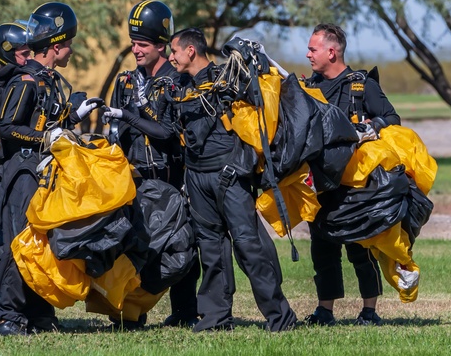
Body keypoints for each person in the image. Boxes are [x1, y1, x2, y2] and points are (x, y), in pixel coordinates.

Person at [0, 5, 103, 337]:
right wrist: (46, 137)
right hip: (19, 171)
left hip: (38, 169)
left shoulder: (45, 81)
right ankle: (6, 316)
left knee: (39, 241)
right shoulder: (25, 81)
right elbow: (8, 128)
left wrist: (73, 117)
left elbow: (45, 123)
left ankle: (37, 312)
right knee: (18, 241)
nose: (72, 49)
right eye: (69, 42)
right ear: (55, 45)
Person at [168, 28, 297, 333]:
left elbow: (264, 95)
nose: (170, 57)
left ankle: (280, 316)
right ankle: (215, 316)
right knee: (210, 248)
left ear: (190, 51)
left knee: (248, 246)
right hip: (197, 176)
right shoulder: (178, 86)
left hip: (229, 174)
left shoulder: (228, 76)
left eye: (173, 51)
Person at [101, 0, 199, 329]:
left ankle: (185, 311)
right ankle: (131, 312)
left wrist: (132, 116)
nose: (135, 50)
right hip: (136, 180)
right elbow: (117, 131)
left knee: (180, 247)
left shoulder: (178, 81)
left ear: (161, 45)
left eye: (142, 44)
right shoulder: (126, 81)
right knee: (137, 247)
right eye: (132, 43)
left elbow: (171, 133)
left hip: (172, 177)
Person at [302, 22, 402, 327]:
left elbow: (392, 117)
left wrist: (370, 128)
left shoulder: (361, 85)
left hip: (357, 182)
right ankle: (324, 311)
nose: (307, 54)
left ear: (331, 52)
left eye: (312, 48)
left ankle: (369, 310)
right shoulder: (310, 87)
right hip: (321, 181)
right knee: (323, 249)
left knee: (361, 248)